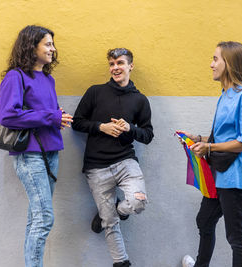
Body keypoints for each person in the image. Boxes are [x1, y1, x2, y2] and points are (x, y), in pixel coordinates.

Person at [179, 41, 242, 267]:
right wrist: (197, 139)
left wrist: (209, 148)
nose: (211, 64)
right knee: (204, 220)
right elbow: (223, 138)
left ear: (230, 63)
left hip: (236, 178)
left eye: (215, 59)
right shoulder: (226, 95)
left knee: (237, 237)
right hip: (220, 175)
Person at [0, 25, 73, 267]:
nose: (53, 48)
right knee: (44, 218)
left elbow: (42, 113)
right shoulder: (15, 76)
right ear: (32, 46)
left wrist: (57, 116)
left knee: (36, 218)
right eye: (47, 44)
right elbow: (7, 116)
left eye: (52, 44)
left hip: (50, 153)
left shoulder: (48, 78)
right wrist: (50, 117)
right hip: (29, 155)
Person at [72, 48, 154, 267]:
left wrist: (130, 128)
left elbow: (148, 135)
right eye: (111, 64)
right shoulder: (95, 92)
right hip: (96, 167)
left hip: (126, 162)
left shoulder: (140, 100)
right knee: (109, 223)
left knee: (138, 202)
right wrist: (101, 127)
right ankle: (122, 263)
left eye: (120, 63)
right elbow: (77, 122)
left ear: (130, 66)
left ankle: (118, 208)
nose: (115, 68)